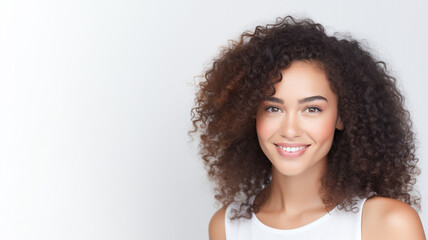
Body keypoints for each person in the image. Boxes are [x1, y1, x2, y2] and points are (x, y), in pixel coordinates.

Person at [190, 16, 426, 240]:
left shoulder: (387, 224)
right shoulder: (228, 227)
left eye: (312, 109)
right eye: (274, 108)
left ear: (341, 117)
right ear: (250, 114)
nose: (290, 130)